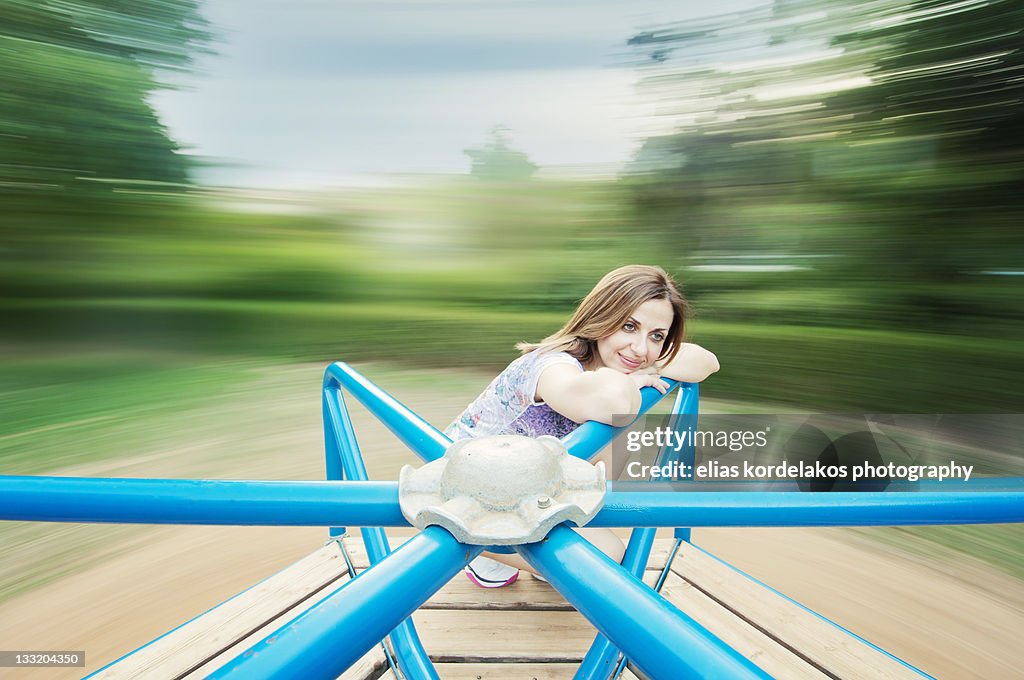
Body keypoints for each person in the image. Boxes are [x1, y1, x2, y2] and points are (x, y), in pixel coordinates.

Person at [444, 264, 721, 588]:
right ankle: (477, 546)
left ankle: (531, 551)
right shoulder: (552, 366)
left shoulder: (613, 362)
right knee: (606, 555)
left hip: (527, 483)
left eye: (656, 336)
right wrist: (631, 378)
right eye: (629, 326)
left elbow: (706, 361)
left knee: (614, 448)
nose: (641, 348)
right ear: (602, 316)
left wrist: (651, 364)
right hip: (463, 486)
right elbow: (616, 401)